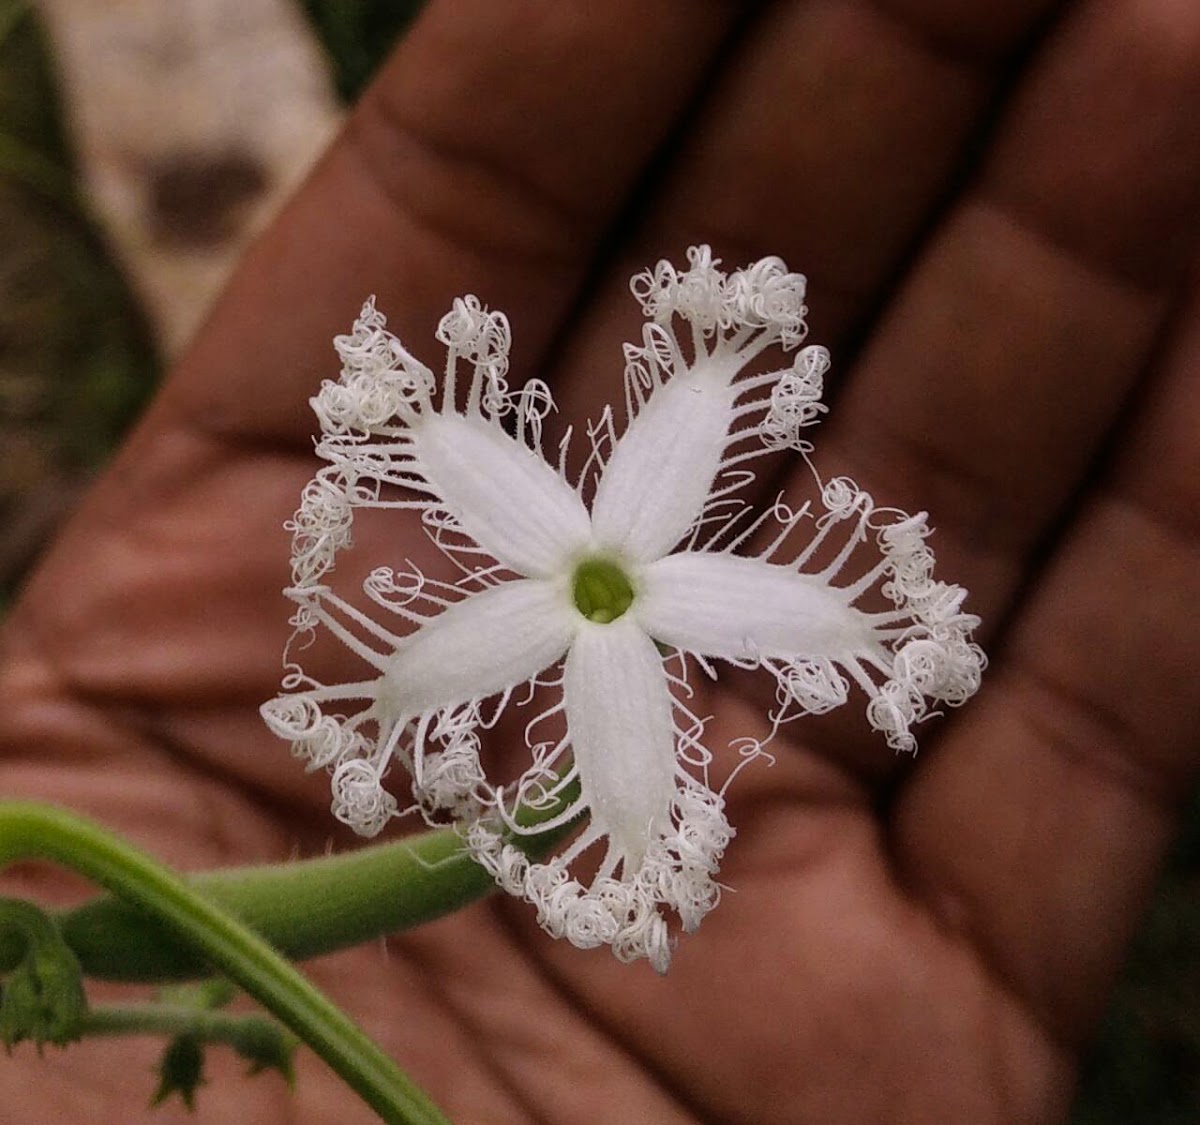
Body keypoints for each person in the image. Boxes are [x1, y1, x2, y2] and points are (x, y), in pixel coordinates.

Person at [2, 2, 1197, 1121]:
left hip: (629, 600)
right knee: (442, 664)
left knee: (798, 625)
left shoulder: (635, 535)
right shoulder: (551, 538)